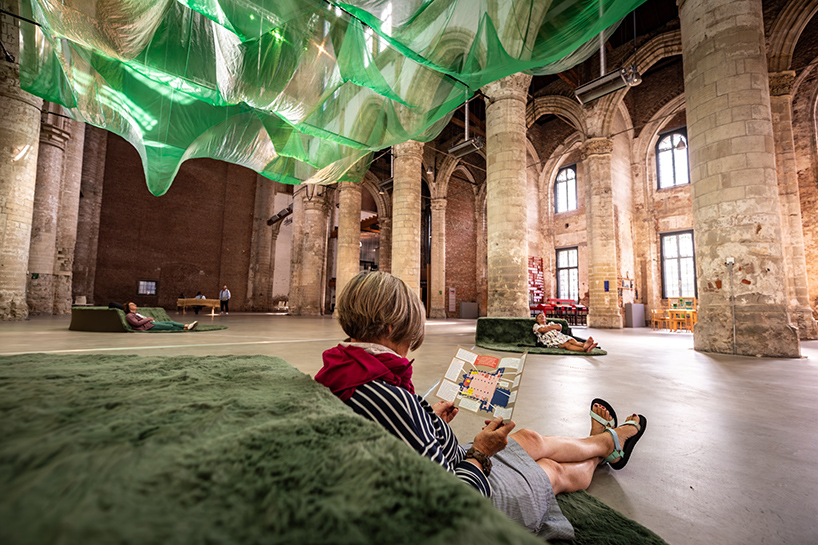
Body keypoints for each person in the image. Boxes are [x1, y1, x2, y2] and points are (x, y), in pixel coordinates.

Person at [315, 272, 647, 541]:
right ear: (390, 328)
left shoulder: (344, 371)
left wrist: (428, 419)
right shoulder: (389, 393)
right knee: (552, 470)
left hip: (433, 465)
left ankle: (605, 443)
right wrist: (481, 452)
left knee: (529, 438)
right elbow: (453, 509)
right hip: (467, 503)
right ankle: (608, 448)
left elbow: (398, 431)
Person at [533, 312, 598, 352]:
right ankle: (585, 349)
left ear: (545, 318)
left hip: (558, 336)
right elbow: (542, 330)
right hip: (548, 339)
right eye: (539, 317)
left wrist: (547, 328)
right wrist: (551, 328)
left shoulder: (550, 323)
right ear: (537, 320)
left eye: (543, 316)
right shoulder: (536, 326)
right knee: (567, 344)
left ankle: (585, 345)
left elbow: (559, 327)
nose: (541, 317)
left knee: (571, 340)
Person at [124, 302, 198, 331]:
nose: (135, 305)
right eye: (132, 305)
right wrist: (148, 319)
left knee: (170, 322)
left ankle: (187, 326)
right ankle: (186, 327)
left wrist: (149, 320)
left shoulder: (136, 313)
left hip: (150, 323)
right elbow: (137, 323)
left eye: (134, 304)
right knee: (170, 326)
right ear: (128, 308)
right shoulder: (129, 316)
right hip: (147, 327)